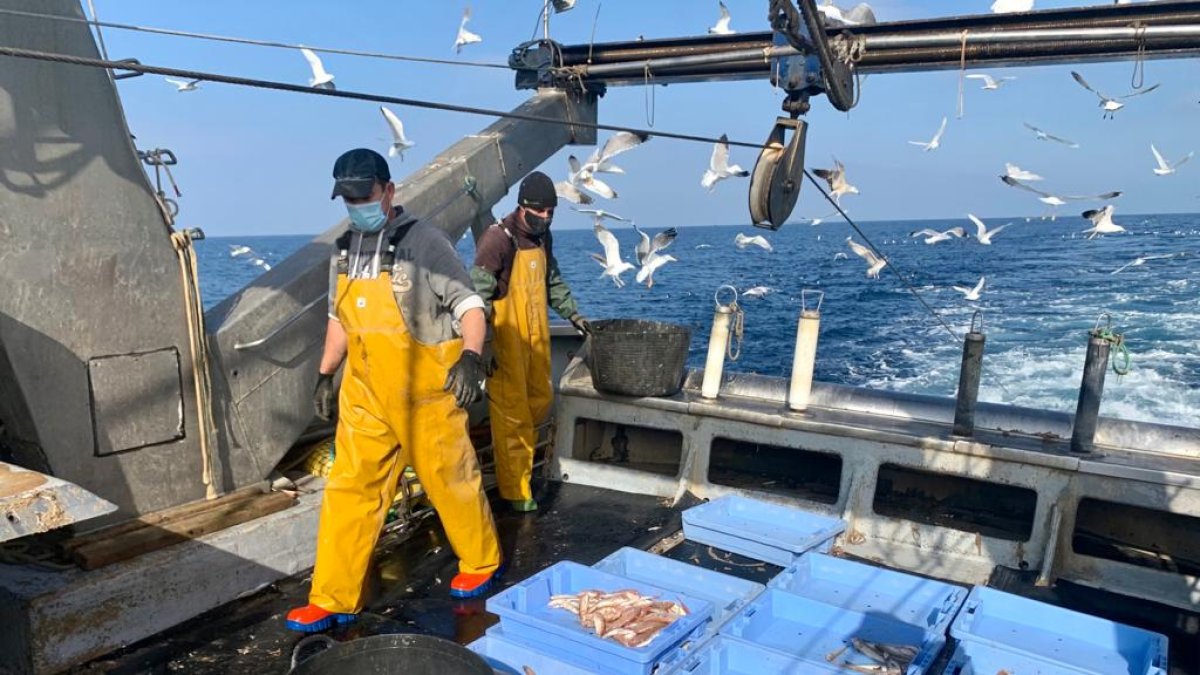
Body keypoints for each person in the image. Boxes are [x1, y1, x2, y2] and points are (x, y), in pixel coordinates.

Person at [287, 148, 502, 633]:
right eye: (349, 198)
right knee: (348, 490)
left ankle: (481, 560)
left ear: (388, 190)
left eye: (365, 195)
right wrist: (325, 373)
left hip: (426, 389)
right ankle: (332, 596)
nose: (357, 204)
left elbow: (469, 305)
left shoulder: (425, 242)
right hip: (364, 395)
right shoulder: (342, 248)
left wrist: (470, 355)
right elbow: (338, 318)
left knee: (452, 481)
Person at [471, 171, 589, 512]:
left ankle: (521, 472)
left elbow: (551, 281)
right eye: (540, 213)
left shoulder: (542, 238)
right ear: (523, 208)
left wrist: (574, 315)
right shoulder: (497, 240)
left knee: (540, 400)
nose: (546, 219)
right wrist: (484, 346)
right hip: (505, 345)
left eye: (551, 213)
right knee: (513, 419)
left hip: (536, 341)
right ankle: (515, 491)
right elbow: (475, 300)